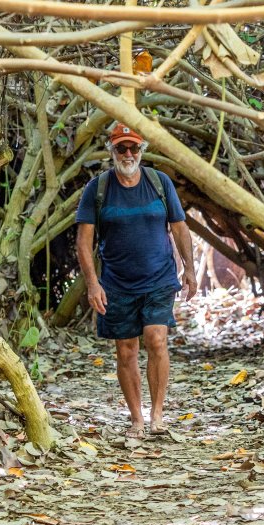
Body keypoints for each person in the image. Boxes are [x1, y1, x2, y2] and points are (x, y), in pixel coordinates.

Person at [75, 123, 197, 439]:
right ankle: (137, 419)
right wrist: (92, 283)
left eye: (133, 148)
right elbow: (83, 241)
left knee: (156, 339)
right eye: (121, 148)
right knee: (126, 350)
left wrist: (190, 270)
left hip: (159, 278)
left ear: (141, 151)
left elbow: (180, 227)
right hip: (116, 283)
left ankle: (157, 416)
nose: (128, 154)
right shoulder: (97, 189)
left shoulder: (160, 183)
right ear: (111, 151)